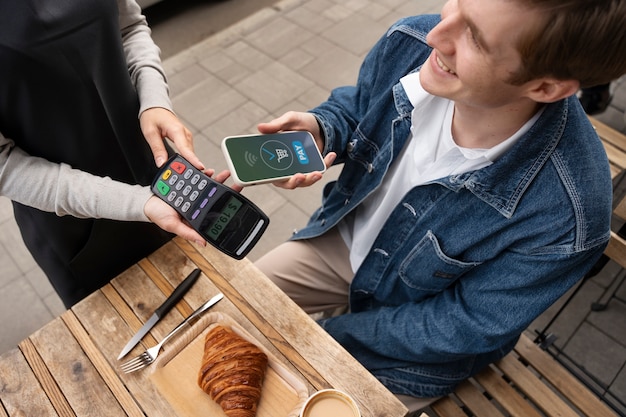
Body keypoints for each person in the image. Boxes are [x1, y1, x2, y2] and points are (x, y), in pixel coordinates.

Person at [253, 0, 626, 409]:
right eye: (457, 4)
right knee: (228, 302)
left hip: (413, 343)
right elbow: (358, 106)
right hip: (342, 245)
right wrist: (323, 130)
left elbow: (463, 325)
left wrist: (322, 335)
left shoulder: (569, 214)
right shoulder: (409, 41)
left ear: (545, 88)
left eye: (476, 40)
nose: (435, 35)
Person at [0, 0, 214, 307]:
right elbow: (4, 165)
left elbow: (129, 27)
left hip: (159, 174)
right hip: (77, 225)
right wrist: (137, 203)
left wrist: (154, 100)